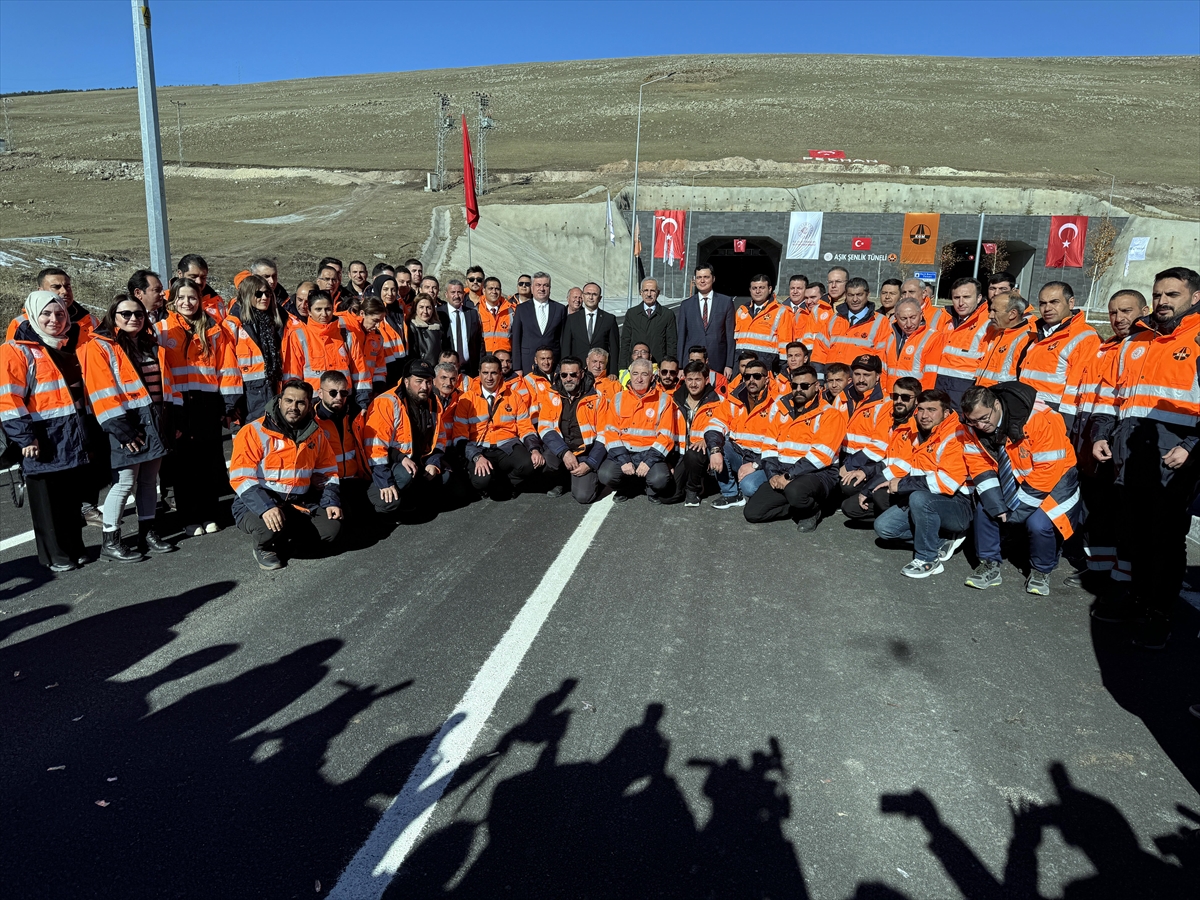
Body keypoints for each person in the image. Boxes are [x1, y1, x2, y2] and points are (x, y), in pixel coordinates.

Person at [1089, 267, 1200, 648]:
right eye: (1158, 295)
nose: (1163, 302)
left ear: (1194, 298)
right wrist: (1102, 435)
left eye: (1172, 294)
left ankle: (1160, 611)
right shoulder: (1139, 341)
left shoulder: (1198, 339)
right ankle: (1137, 598)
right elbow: (1113, 397)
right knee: (1132, 533)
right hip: (1128, 455)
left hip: (1174, 459)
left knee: (1165, 540)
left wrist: (1190, 447)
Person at [1, 292, 101, 571]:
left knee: (70, 498)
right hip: (40, 435)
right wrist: (24, 437)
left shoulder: (70, 346)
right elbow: (8, 398)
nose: (53, 320)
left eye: (59, 314)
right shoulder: (16, 350)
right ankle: (54, 555)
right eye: (46, 314)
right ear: (33, 315)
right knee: (47, 501)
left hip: (71, 431)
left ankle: (75, 548)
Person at [961, 382, 1081, 596]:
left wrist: (1017, 511)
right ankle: (989, 564)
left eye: (983, 418)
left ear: (996, 405)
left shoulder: (1041, 419)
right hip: (1016, 476)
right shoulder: (970, 425)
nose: (979, 425)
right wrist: (997, 506)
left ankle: (1041, 570)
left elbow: (1048, 471)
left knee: (1039, 523)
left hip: (1056, 479)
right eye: (973, 420)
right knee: (986, 509)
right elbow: (978, 464)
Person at [82, 295, 177, 561]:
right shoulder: (100, 346)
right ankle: (110, 542)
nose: (133, 318)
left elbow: (164, 385)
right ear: (113, 315)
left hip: (154, 419)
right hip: (126, 422)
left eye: (139, 314)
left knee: (149, 481)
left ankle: (147, 533)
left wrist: (169, 421)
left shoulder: (150, 344)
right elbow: (102, 390)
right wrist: (120, 428)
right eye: (126, 314)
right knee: (124, 483)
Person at [1064, 289, 1149, 587]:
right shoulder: (1106, 347)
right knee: (1095, 511)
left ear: (1144, 309)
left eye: (1126, 311)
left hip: (1119, 445)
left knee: (1119, 516)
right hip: (1092, 439)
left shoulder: (1142, 348)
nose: (1118, 318)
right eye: (1113, 312)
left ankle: (1119, 577)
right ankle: (1098, 569)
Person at [158, 278, 240, 536]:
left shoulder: (214, 330)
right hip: (178, 404)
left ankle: (209, 513)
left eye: (192, 297)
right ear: (172, 300)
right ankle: (189, 517)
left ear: (200, 300)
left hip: (207, 404)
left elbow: (228, 368)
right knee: (183, 466)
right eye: (181, 297)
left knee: (208, 462)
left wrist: (229, 404)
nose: (187, 302)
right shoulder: (162, 329)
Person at [230, 379, 341, 569]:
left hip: (297, 504)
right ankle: (263, 546)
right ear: (279, 400)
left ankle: (283, 539)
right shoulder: (253, 431)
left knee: (331, 530)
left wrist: (331, 501)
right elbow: (241, 477)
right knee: (268, 527)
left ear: (308, 405)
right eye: (289, 401)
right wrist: (265, 507)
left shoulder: (316, 434)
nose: (294, 407)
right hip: (255, 503)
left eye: (300, 403)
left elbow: (328, 472)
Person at [868, 389, 972, 577]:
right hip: (928, 499)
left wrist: (902, 484)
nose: (924, 415)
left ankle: (928, 559)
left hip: (958, 504)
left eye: (932, 410)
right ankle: (943, 538)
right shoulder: (923, 432)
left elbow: (947, 483)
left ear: (946, 413)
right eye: (921, 409)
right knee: (884, 528)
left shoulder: (955, 436)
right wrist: (891, 481)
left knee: (918, 498)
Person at [741, 364, 848, 530]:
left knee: (795, 491)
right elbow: (768, 448)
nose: (799, 390)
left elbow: (820, 457)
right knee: (753, 513)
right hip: (784, 472)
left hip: (817, 474)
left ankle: (812, 510)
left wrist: (788, 476)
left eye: (804, 386)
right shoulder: (782, 411)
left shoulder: (830, 414)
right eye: (795, 386)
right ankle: (797, 508)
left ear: (817, 387)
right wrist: (772, 476)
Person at [453, 354, 543, 499]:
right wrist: (476, 457)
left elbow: (526, 427)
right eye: (485, 373)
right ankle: (490, 482)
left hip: (507, 445)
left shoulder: (514, 396)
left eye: (494, 373)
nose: (489, 377)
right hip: (479, 448)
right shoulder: (466, 399)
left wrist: (534, 449)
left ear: (500, 374)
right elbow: (459, 437)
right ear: (479, 373)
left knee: (531, 464)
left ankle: (506, 482)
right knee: (481, 481)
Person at [363, 359, 446, 516]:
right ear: (406, 381)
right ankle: (377, 505)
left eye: (428, 382)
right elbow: (375, 449)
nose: (424, 387)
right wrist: (385, 482)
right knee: (397, 489)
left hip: (416, 461)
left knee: (444, 477)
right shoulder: (387, 402)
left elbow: (440, 440)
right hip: (389, 465)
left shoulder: (434, 403)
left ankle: (409, 498)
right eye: (419, 381)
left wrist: (433, 463)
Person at [1017, 281, 1100, 433]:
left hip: (1053, 418)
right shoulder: (1037, 334)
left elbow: (1077, 387)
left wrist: (1064, 425)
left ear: (1071, 303)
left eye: (1054, 302)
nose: (1047, 308)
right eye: (1043, 303)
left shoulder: (1085, 337)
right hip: (1025, 412)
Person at [597, 358, 682, 503]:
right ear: (630, 375)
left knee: (660, 480)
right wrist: (623, 460)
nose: (639, 379)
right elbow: (610, 432)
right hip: (624, 452)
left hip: (650, 452)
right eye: (635, 374)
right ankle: (625, 487)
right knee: (605, 475)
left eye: (644, 374)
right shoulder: (618, 398)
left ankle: (649, 488)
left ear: (652, 377)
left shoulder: (664, 400)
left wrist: (648, 462)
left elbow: (666, 436)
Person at [842, 376, 920, 523]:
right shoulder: (890, 417)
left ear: (916, 400)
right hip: (886, 472)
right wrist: (864, 470)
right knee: (849, 501)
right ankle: (886, 517)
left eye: (905, 397)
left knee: (879, 496)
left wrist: (868, 489)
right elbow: (884, 455)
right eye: (895, 396)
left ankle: (901, 522)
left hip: (905, 480)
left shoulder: (916, 426)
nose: (899, 401)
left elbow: (901, 467)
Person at [709, 357, 777, 508]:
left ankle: (767, 486)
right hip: (739, 453)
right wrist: (715, 450)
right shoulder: (734, 399)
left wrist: (755, 465)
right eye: (747, 376)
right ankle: (731, 494)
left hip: (765, 460)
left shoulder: (777, 404)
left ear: (766, 380)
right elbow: (714, 424)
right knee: (716, 445)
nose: (751, 380)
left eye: (757, 376)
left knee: (749, 487)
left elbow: (782, 446)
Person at [538, 356, 607, 502]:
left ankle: (592, 477)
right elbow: (544, 427)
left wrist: (590, 463)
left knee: (584, 497)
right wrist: (564, 452)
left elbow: (605, 434)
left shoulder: (597, 397)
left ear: (581, 374)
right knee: (539, 463)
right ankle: (561, 480)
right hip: (561, 450)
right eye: (564, 375)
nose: (568, 378)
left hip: (585, 452)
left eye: (573, 374)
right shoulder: (551, 395)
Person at [224, 273, 288, 423]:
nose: (264, 297)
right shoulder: (233, 325)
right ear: (247, 295)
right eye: (258, 294)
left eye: (268, 293)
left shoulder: (276, 322)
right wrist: (231, 404)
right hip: (247, 397)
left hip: (272, 390)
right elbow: (227, 366)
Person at [313, 370, 371, 519]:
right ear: (320, 393)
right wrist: (311, 478)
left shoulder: (356, 416)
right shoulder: (311, 422)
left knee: (387, 503)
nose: (339, 398)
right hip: (328, 485)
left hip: (355, 479)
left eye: (343, 393)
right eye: (333, 393)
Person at [934, 277, 992, 411]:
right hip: (939, 384)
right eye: (956, 297)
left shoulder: (989, 322)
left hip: (967, 388)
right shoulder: (944, 318)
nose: (961, 302)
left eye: (966, 297)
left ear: (979, 298)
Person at [672, 360, 725, 506]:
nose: (693, 384)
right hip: (680, 454)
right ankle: (696, 483)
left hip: (702, 453)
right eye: (689, 379)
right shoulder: (674, 400)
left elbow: (727, 428)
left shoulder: (718, 401)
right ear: (684, 379)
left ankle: (693, 491)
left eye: (698, 380)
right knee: (669, 497)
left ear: (706, 380)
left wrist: (708, 440)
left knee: (694, 453)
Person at [7, 267, 101, 346]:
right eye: (56, 287)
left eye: (67, 286)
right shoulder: (21, 324)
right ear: (41, 291)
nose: (64, 291)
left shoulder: (91, 321)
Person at [283, 290, 354, 391]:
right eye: (318, 309)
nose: (324, 314)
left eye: (328, 309)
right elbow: (293, 373)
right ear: (309, 311)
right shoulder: (299, 335)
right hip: (314, 399)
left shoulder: (345, 334)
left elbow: (359, 370)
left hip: (343, 398)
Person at [676, 264, 735, 378]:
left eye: (706, 277)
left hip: (718, 361)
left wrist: (729, 364)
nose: (702, 281)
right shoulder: (686, 305)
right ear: (695, 280)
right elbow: (681, 337)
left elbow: (730, 336)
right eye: (699, 277)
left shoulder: (726, 302)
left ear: (713, 279)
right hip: (692, 362)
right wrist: (680, 366)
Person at [880, 298, 944, 393]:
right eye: (903, 319)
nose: (909, 324)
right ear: (896, 318)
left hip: (914, 398)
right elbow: (884, 369)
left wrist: (923, 401)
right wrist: (884, 393)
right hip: (890, 395)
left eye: (913, 317)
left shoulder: (933, 337)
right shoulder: (890, 335)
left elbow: (930, 376)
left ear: (921, 315)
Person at [511, 271, 566, 375]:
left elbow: (562, 339)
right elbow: (516, 339)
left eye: (546, 285)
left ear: (550, 288)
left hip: (553, 364)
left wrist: (562, 365)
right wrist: (517, 367)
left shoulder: (560, 309)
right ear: (532, 288)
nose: (542, 289)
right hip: (528, 362)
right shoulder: (521, 309)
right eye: (538, 285)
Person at [733, 274, 789, 370]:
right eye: (754, 288)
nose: (757, 291)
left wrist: (784, 369)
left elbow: (785, 343)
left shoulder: (781, 311)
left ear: (770, 289)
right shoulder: (741, 311)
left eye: (761, 288)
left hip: (766, 365)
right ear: (750, 290)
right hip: (740, 365)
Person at [976, 292, 1033, 387]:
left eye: (995, 311)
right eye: (990, 310)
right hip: (982, 396)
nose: (990, 315)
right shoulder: (996, 331)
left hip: (1002, 399)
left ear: (1012, 314)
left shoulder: (1027, 339)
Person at [828, 277, 888, 365]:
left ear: (867, 295)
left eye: (859, 294)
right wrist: (820, 376)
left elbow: (882, 356)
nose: (855, 299)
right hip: (832, 376)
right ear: (845, 296)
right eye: (851, 295)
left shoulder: (881, 321)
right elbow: (820, 349)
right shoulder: (834, 318)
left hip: (861, 376)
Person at [620, 278, 678, 369]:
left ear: (658, 293)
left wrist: (670, 367)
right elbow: (625, 343)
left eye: (652, 291)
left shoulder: (667, 314)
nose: (649, 294)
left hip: (658, 366)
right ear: (641, 292)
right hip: (635, 365)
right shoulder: (632, 314)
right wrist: (622, 368)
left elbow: (671, 344)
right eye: (646, 290)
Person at [341, 296, 388, 407]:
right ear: (362, 313)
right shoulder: (344, 328)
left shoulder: (377, 337)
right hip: (343, 391)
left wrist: (378, 390)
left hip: (365, 393)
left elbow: (379, 367)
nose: (378, 326)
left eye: (381, 321)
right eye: (375, 321)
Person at [562, 282, 619, 365]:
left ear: (600, 298)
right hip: (578, 368)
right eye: (588, 294)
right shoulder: (571, 319)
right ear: (583, 296)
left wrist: (613, 372)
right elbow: (566, 347)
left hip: (600, 369)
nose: (591, 297)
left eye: (594, 294)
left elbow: (614, 349)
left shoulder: (609, 319)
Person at [789, 275, 835, 373]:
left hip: (821, 362)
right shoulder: (799, 314)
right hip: (801, 364)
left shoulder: (828, 312)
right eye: (806, 298)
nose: (809, 301)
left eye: (813, 297)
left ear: (822, 296)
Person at [371, 274, 410, 388]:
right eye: (385, 289)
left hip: (400, 365)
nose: (390, 293)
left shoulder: (399, 311)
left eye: (393, 290)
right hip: (382, 367)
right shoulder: (373, 312)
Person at [441, 281, 483, 375]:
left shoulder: (472, 313)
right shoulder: (439, 314)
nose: (456, 296)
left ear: (464, 294)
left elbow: (478, 342)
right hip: (447, 368)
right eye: (453, 292)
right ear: (446, 294)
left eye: (459, 292)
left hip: (470, 368)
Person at [478, 276, 514, 355]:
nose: (494, 292)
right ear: (484, 291)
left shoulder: (511, 311)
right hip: (484, 356)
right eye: (490, 288)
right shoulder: (477, 310)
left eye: (497, 289)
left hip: (505, 357)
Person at [406, 294, 444, 365]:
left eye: (428, 308)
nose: (425, 311)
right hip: (422, 369)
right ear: (415, 308)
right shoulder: (412, 327)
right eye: (421, 307)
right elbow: (412, 353)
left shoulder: (438, 327)